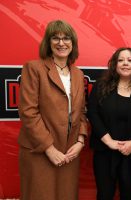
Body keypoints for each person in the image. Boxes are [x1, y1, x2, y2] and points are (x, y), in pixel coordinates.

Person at [18, 20, 87, 200]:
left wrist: (80, 141)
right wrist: (49, 148)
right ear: (48, 43)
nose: (61, 43)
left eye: (66, 38)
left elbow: (81, 112)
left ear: (73, 43)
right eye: (55, 38)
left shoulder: (78, 74)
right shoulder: (34, 68)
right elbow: (28, 112)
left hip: (69, 152)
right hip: (40, 150)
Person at [87, 47, 131, 200]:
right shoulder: (101, 86)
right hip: (104, 151)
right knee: (105, 194)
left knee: (129, 193)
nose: (125, 64)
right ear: (114, 64)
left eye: (129, 60)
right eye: (120, 60)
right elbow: (93, 114)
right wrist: (109, 142)